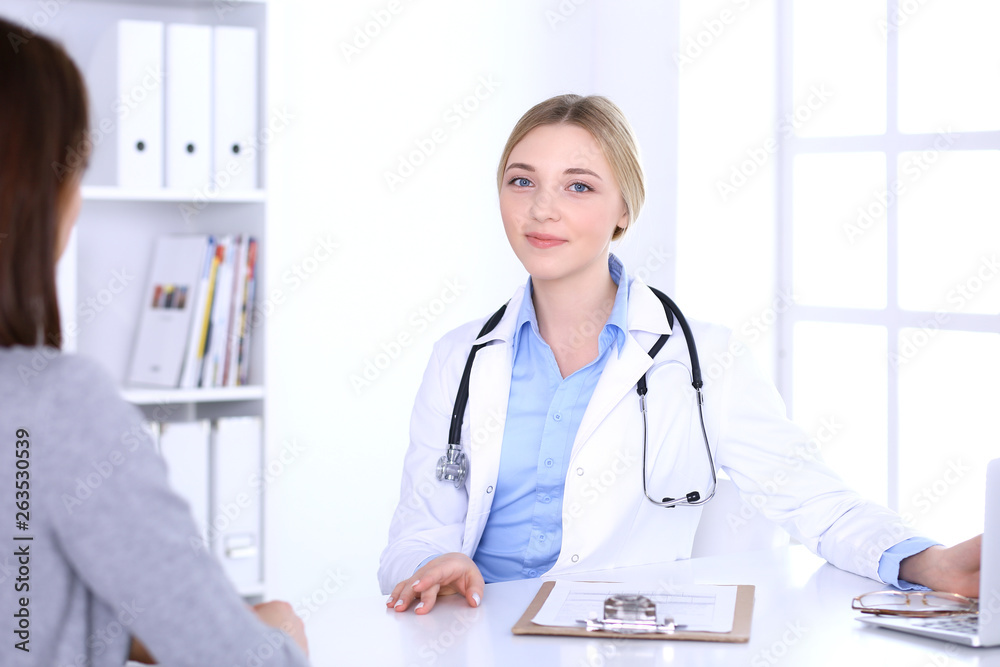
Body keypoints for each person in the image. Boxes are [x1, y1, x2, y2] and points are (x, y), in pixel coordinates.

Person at [378, 94, 982, 614]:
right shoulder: (459, 359)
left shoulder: (703, 358)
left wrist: (927, 562)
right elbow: (415, 531)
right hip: (473, 635)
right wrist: (435, 564)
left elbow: (810, 497)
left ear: (625, 209)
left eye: (578, 186)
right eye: (522, 180)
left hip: (614, 638)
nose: (542, 208)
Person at [0, 18, 310, 666]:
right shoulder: (52, 405)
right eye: (73, 170)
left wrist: (106, 629)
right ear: (31, 189)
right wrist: (279, 640)